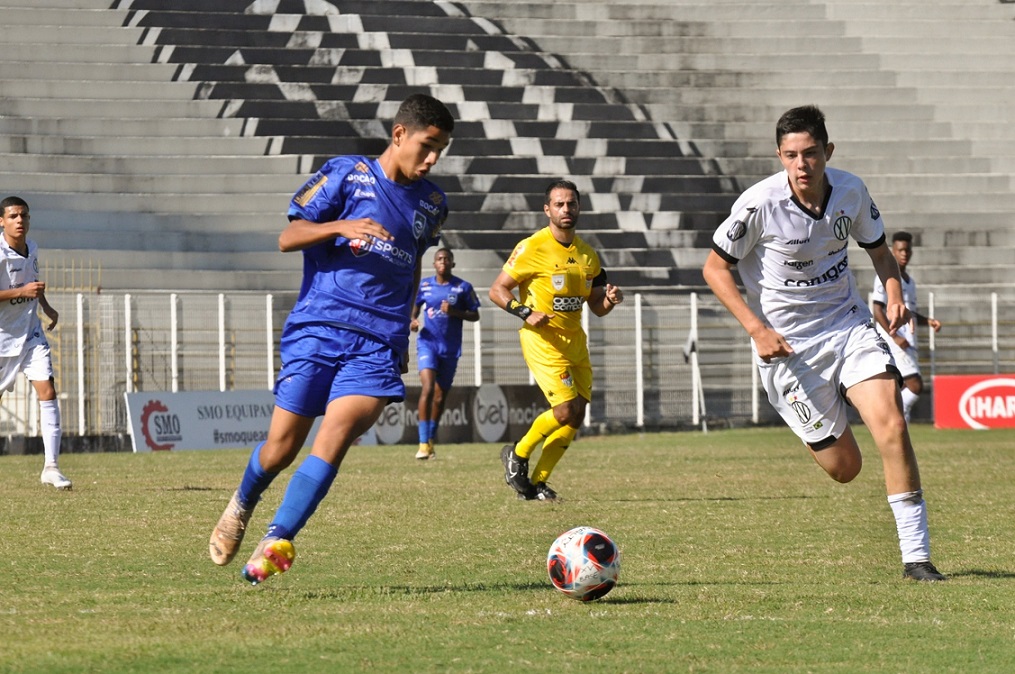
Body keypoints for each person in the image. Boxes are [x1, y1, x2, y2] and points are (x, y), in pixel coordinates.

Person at [208, 93, 454, 584]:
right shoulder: (345, 173)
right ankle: (242, 502)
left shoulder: (433, 203)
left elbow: (414, 261)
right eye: (427, 146)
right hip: (319, 327)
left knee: (335, 437)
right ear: (399, 134)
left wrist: (404, 325)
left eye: (441, 152)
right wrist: (342, 225)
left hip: (379, 341)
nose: (432, 160)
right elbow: (288, 237)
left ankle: (277, 538)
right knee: (280, 447)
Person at [701, 105, 946, 581]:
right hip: (787, 350)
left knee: (893, 426)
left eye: (810, 153)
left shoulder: (851, 190)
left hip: (847, 325)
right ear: (779, 156)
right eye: (791, 155)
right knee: (845, 468)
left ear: (827, 152)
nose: (801, 165)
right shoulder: (757, 205)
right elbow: (714, 268)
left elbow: (878, 250)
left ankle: (916, 557)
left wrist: (893, 294)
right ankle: (819, 419)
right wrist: (757, 329)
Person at [488, 179, 623, 501]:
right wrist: (525, 312)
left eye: (571, 204)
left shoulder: (589, 256)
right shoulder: (532, 246)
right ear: (547, 209)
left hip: (576, 342)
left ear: (579, 207)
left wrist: (611, 300)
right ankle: (517, 455)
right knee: (564, 410)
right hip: (543, 340)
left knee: (577, 415)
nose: (566, 209)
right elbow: (497, 290)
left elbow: (597, 307)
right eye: (559, 204)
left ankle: (538, 483)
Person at [0, 197, 70, 490]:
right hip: (3, 338)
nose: (20, 220)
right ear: (1, 221)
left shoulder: (33, 248)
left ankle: (51, 467)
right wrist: (23, 290)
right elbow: (23, 289)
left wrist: (47, 307)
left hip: (30, 333)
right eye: (13, 216)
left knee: (48, 390)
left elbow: (33, 287)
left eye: (24, 215)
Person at [410, 247, 480, 460]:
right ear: (434, 264)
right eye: (439, 258)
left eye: (447, 259)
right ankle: (422, 443)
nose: (443, 261)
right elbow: (414, 309)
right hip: (427, 344)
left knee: (440, 398)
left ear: (452, 263)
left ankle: (430, 439)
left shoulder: (463, 287)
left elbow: (474, 315)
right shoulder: (424, 285)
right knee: (428, 389)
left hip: (450, 349)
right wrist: (412, 321)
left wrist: (455, 312)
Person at [871, 231, 942, 422]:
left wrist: (927, 320)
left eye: (907, 250)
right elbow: (877, 310)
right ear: (893, 251)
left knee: (901, 386)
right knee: (915, 385)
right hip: (895, 340)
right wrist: (894, 336)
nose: (904, 254)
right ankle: (893, 418)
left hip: (907, 340)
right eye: (900, 250)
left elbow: (907, 311)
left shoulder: (910, 281)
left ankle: (899, 423)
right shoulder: (885, 278)